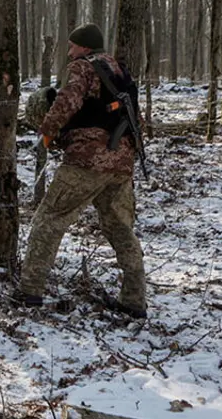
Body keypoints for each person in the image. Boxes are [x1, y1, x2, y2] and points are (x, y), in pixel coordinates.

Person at [15, 23, 147, 318]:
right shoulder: (121, 72)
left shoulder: (83, 67)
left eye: (73, 47)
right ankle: (134, 300)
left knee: (49, 219)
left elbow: (67, 101)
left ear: (85, 47)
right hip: (122, 163)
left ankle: (29, 291)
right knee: (121, 229)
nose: (70, 52)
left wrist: (47, 132)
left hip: (87, 161)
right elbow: (137, 118)